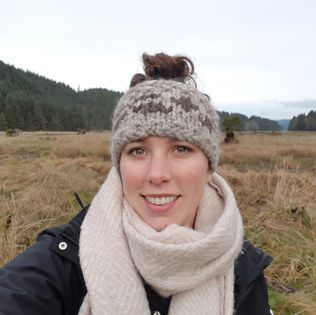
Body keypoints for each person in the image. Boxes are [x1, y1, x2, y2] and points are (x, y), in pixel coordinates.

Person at [0, 52, 273, 315]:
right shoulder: (66, 260)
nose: (156, 174)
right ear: (119, 164)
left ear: (208, 167)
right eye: (138, 151)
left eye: (180, 149)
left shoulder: (242, 271)